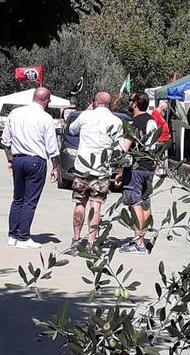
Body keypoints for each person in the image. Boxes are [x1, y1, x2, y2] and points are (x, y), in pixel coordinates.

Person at [1, 88, 59, 249]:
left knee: (17, 198)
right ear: (46, 101)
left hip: (18, 159)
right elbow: (52, 146)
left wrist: (10, 160)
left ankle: (12, 235)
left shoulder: (15, 113)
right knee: (30, 201)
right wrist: (55, 166)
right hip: (35, 160)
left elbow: (5, 141)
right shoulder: (46, 118)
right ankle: (23, 237)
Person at [66, 91, 123, 253]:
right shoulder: (116, 121)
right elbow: (118, 149)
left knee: (79, 204)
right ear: (110, 103)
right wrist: (119, 170)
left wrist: (88, 109)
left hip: (83, 169)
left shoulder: (86, 116)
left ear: (95, 102)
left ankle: (76, 240)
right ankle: (92, 243)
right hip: (102, 170)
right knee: (96, 206)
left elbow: (71, 129)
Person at [119, 92, 157, 254]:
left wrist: (118, 169)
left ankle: (138, 243)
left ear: (135, 104)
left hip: (136, 168)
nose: (128, 103)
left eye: (130, 100)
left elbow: (124, 148)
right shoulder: (152, 121)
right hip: (149, 167)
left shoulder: (134, 123)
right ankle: (143, 238)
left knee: (135, 204)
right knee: (145, 202)